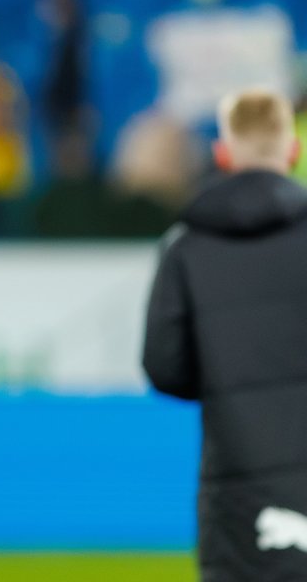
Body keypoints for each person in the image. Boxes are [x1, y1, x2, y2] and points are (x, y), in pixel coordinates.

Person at [143, 88, 307, 581]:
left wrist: (226, 378)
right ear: (293, 151)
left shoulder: (185, 246)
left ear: (222, 153)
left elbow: (164, 367)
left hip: (234, 491)